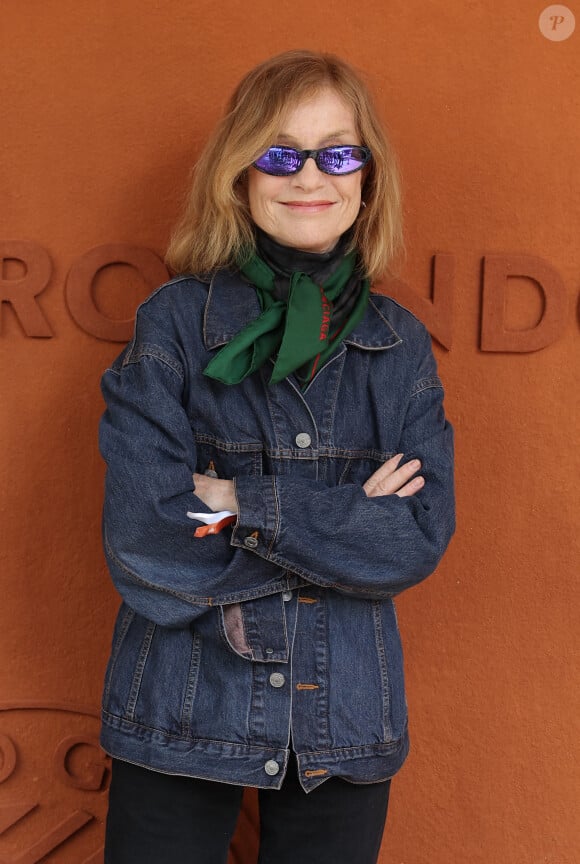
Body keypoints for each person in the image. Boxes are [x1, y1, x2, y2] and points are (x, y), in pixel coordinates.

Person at [99, 49, 455, 864]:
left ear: (366, 178)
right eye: (278, 152)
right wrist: (344, 530)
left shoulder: (399, 351)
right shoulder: (173, 328)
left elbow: (417, 537)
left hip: (346, 722)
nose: (308, 177)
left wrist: (235, 501)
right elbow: (148, 539)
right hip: (178, 710)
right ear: (240, 174)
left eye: (336, 152)